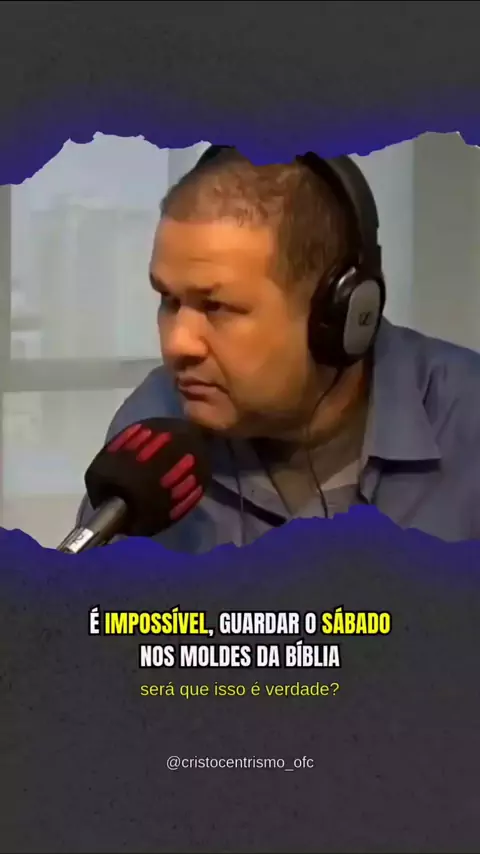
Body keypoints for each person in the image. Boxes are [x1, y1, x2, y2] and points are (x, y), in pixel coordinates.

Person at [77, 145, 480, 550]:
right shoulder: (151, 430)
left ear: (340, 313)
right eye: (169, 300)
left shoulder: (466, 421)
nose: (177, 344)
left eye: (216, 307)